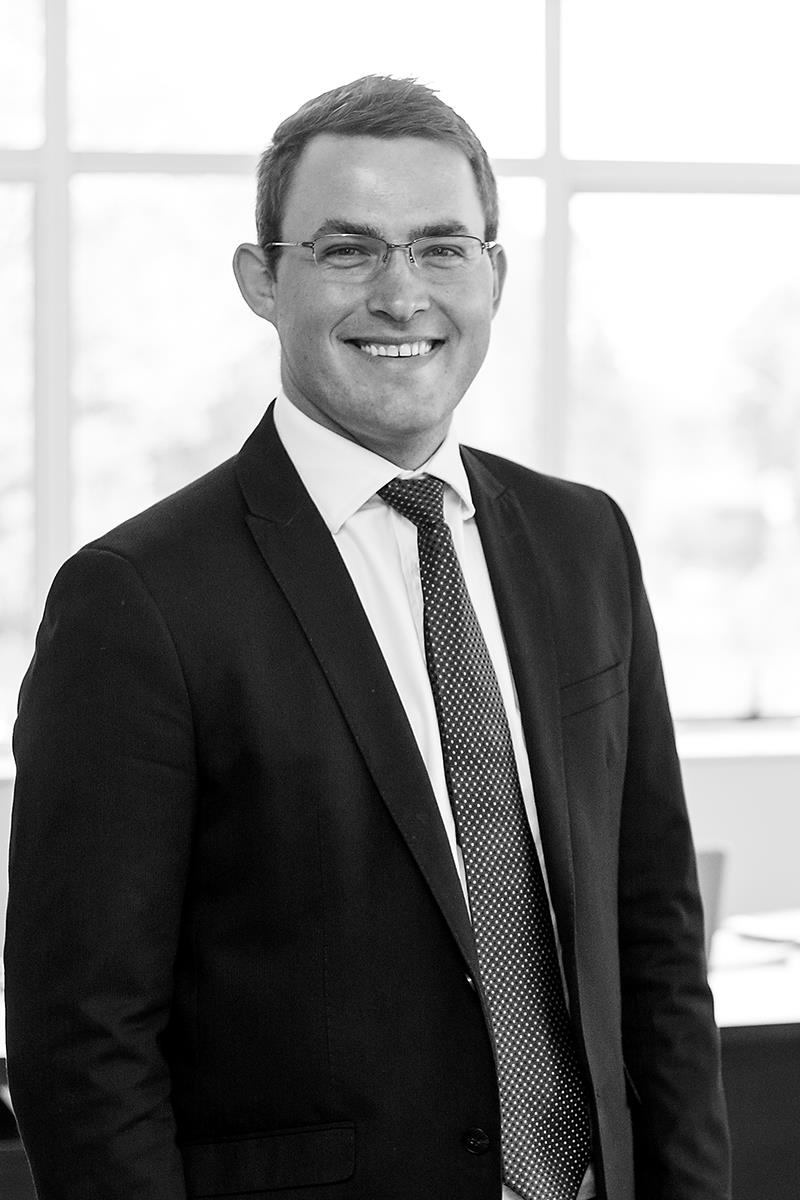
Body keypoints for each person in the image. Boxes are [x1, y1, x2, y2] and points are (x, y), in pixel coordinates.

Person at [4, 75, 730, 1200]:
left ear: (494, 276)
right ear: (262, 280)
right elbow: (82, 1036)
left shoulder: (583, 541)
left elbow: (656, 937)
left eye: (442, 248)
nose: (401, 295)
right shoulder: (137, 599)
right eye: (347, 250)